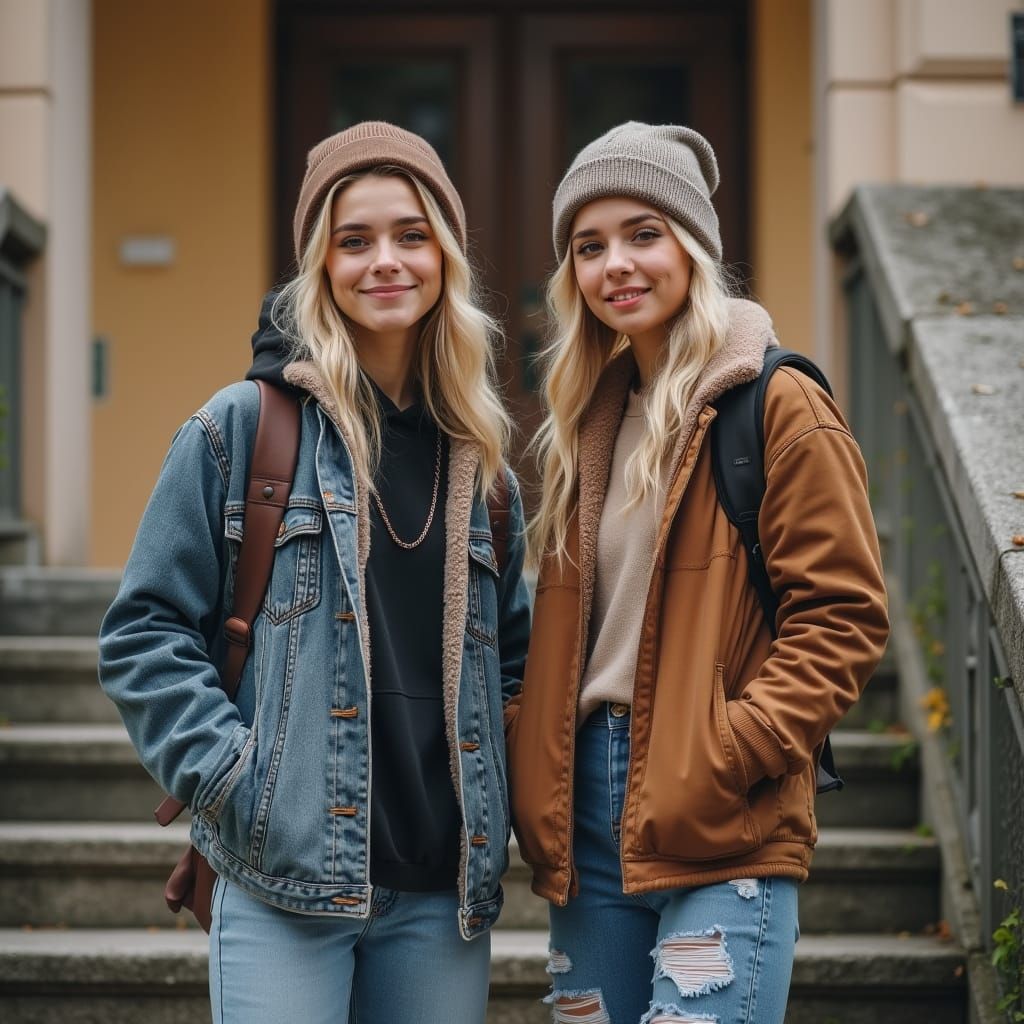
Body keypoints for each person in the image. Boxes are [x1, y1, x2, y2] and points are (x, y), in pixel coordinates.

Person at [99, 121, 531, 1023]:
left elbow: (515, 665)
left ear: (445, 256)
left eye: (412, 236)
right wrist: (235, 782)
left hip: (438, 897)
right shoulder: (243, 428)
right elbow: (142, 633)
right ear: (319, 264)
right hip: (285, 882)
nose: (387, 261)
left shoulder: (483, 467)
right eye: (355, 239)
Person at [505, 122, 889, 1024]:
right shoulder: (584, 428)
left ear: (695, 246)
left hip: (722, 821)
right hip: (584, 832)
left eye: (645, 233)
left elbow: (844, 616)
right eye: (589, 247)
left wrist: (734, 749)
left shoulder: (775, 402)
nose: (617, 266)